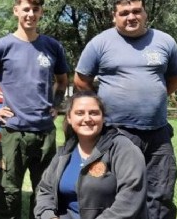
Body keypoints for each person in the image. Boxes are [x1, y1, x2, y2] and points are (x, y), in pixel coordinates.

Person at [74, 0, 177, 219]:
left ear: (145, 13)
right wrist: (99, 108)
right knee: (113, 190)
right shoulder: (100, 43)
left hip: (158, 135)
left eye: (137, 11)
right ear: (114, 16)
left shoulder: (165, 41)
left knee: (161, 192)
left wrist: (155, 96)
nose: (131, 17)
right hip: (116, 132)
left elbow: (176, 78)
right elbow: (81, 80)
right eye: (124, 13)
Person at [0, 0, 69, 219]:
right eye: (26, 9)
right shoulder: (1, 47)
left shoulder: (52, 47)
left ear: (41, 13)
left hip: (45, 133)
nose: (30, 14)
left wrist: (57, 104)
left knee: (45, 190)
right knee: (9, 191)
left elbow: (63, 81)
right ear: (16, 10)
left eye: (35, 9)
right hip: (13, 132)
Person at [34, 91, 148, 219]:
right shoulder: (65, 152)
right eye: (80, 113)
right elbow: (45, 190)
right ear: (70, 118)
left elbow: (130, 198)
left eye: (93, 113)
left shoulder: (123, 149)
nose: (87, 118)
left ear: (103, 117)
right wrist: (49, 216)